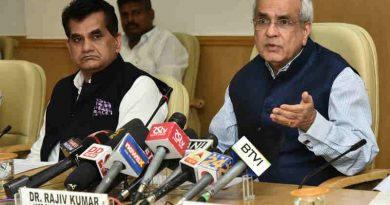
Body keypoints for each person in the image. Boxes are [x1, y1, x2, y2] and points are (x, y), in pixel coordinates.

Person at [209, 0, 379, 185]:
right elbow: (220, 146)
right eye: (263, 21)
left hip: (313, 198)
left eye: (283, 22)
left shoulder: (339, 76)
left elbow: (362, 156)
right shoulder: (243, 79)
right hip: (248, 197)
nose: (270, 32)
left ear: (305, 30)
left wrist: (313, 123)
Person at [27, 0, 168, 162]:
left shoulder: (138, 86)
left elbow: (122, 163)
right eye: (77, 39)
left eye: (96, 36)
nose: (86, 47)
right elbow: (39, 151)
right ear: (69, 47)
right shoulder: (63, 88)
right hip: (43, 182)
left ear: (117, 42)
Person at [117, 0, 188, 82]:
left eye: (136, 13)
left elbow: (168, 86)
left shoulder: (165, 41)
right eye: (124, 15)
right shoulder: (115, 42)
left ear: (151, 14)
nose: (130, 19)